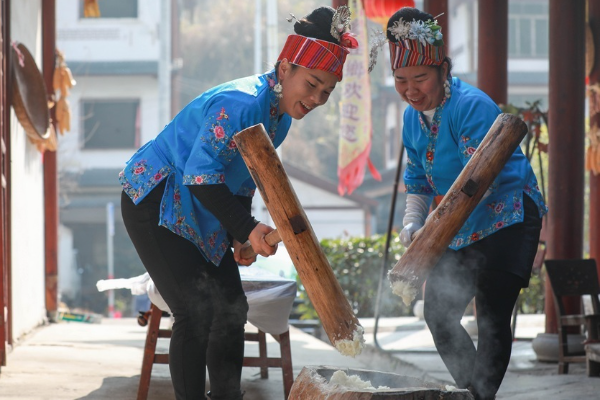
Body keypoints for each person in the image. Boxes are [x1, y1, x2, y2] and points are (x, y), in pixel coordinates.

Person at [119, 6, 357, 400]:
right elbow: (200, 175)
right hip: (155, 197)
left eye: (326, 92)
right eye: (312, 84)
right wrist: (247, 228)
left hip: (200, 204)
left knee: (231, 309)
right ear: (285, 69)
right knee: (195, 313)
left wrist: (239, 235)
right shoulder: (242, 102)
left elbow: (241, 180)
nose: (316, 98)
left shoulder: (280, 119)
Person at [383, 7, 548, 400]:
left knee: (492, 315)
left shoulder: (471, 105)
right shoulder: (411, 119)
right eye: (401, 80)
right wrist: (413, 226)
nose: (411, 89)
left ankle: (478, 396)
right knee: (437, 314)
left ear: (443, 69)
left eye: (420, 77)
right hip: (455, 223)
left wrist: (434, 229)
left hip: (508, 215)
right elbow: (418, 180)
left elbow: (481, 183)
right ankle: (471, 392)